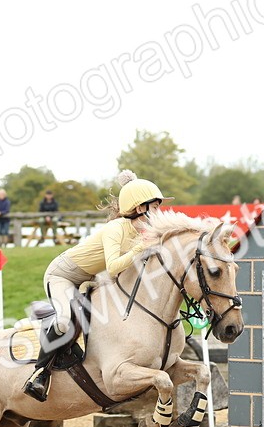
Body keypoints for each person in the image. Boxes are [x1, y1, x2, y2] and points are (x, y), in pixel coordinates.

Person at [23, 170, 166, 401]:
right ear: (140, 208)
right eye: (155, 207)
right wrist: (139, 249)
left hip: (88, 279)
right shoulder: (115, 228)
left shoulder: (141, 232)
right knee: (63, 321)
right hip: (62, 276)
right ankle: (39, 374)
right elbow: (113, 267)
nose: (159, 212)